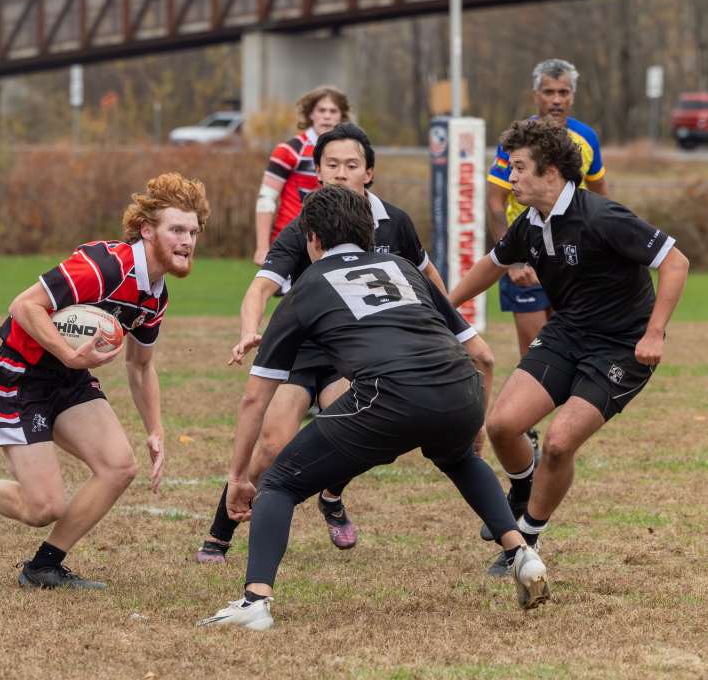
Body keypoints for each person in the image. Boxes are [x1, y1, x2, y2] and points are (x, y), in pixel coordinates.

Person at [198, 185, 548, 631]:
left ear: (312, 239)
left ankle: (254, 602)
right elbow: (482, 354)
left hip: (391, 393)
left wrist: (237, 477)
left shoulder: (308, 285)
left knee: (280, 483)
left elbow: (255, 396)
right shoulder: (402, 266)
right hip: (459, 383)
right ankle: (521, 552)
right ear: (368, 232)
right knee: (457, 457)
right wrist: (473, 417)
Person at [195, 123, 494, 563]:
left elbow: (426, 276)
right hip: (301, 346)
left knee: (359, 427)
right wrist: (248, 329)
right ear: (317, 172)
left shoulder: (395, 222)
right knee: (274, 443)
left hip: (353, 353)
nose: (341, 173)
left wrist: (440, 318)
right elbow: (260, 288)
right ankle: (221, 530)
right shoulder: (305, 228)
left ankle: (331, 495)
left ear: (368, 172)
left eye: (351, 165)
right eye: (331, 165)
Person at [0, 173, 210, 590]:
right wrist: (70, 354)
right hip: (19, 377)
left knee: (119, 467)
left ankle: (43, 566)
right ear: (147, 230)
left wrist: (155, 430)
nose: (187, 241)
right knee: (43, 506)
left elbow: (141, 365)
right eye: (176, 229)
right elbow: (23, 306)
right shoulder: (105, 266)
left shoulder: (155, 295)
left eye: (193, 231)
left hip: (68, 379)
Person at [451, 118, 687, 575]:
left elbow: (675, 261)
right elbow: (492, 264)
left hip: (621, 346)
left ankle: (527, 538)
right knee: (501, 425)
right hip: (568, 333)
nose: (510, 177)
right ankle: (522, 485)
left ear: (551, 172)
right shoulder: (530, 223)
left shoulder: (602, 216)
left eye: (518, 168)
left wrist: (655, 332)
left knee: (559, 444)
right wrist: (444, 307)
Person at [484, 58, 607, 484]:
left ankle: (564, 429)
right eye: (549, 92)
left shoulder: (586, 138)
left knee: (574, 340)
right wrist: (514, 259)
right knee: (536, 349)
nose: (557, 100)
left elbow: (602, 197)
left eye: (564, 93)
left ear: (572, 95)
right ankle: (528, 431)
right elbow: (496, 202)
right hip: (529, 259)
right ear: (536, 94)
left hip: (573, 260)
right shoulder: (520, 141)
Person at [252, 86, 350, 265]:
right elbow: (265, 198)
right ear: (311, 114)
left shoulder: (350, 153)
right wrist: (262, 247)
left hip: (334, 243)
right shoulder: (290, 150)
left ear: (341, 116)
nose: (327, 116)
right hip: (292, 242)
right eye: (321, 110)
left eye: (333, 111)